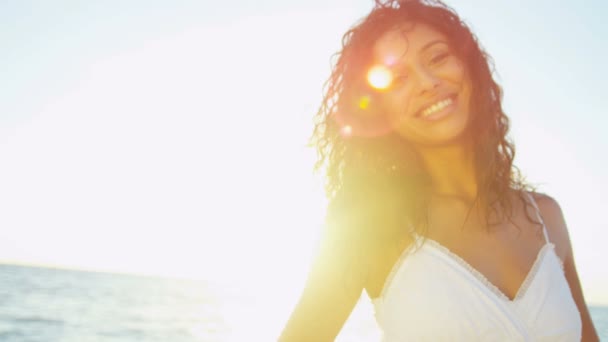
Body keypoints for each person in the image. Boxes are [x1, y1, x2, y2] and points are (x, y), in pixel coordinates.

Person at [279, 0, 600, 341]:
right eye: (398, 78)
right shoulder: (370, 226)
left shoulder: (545, 217)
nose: (427, 82)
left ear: (469, 67)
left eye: (437, 58)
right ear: (379, 109)